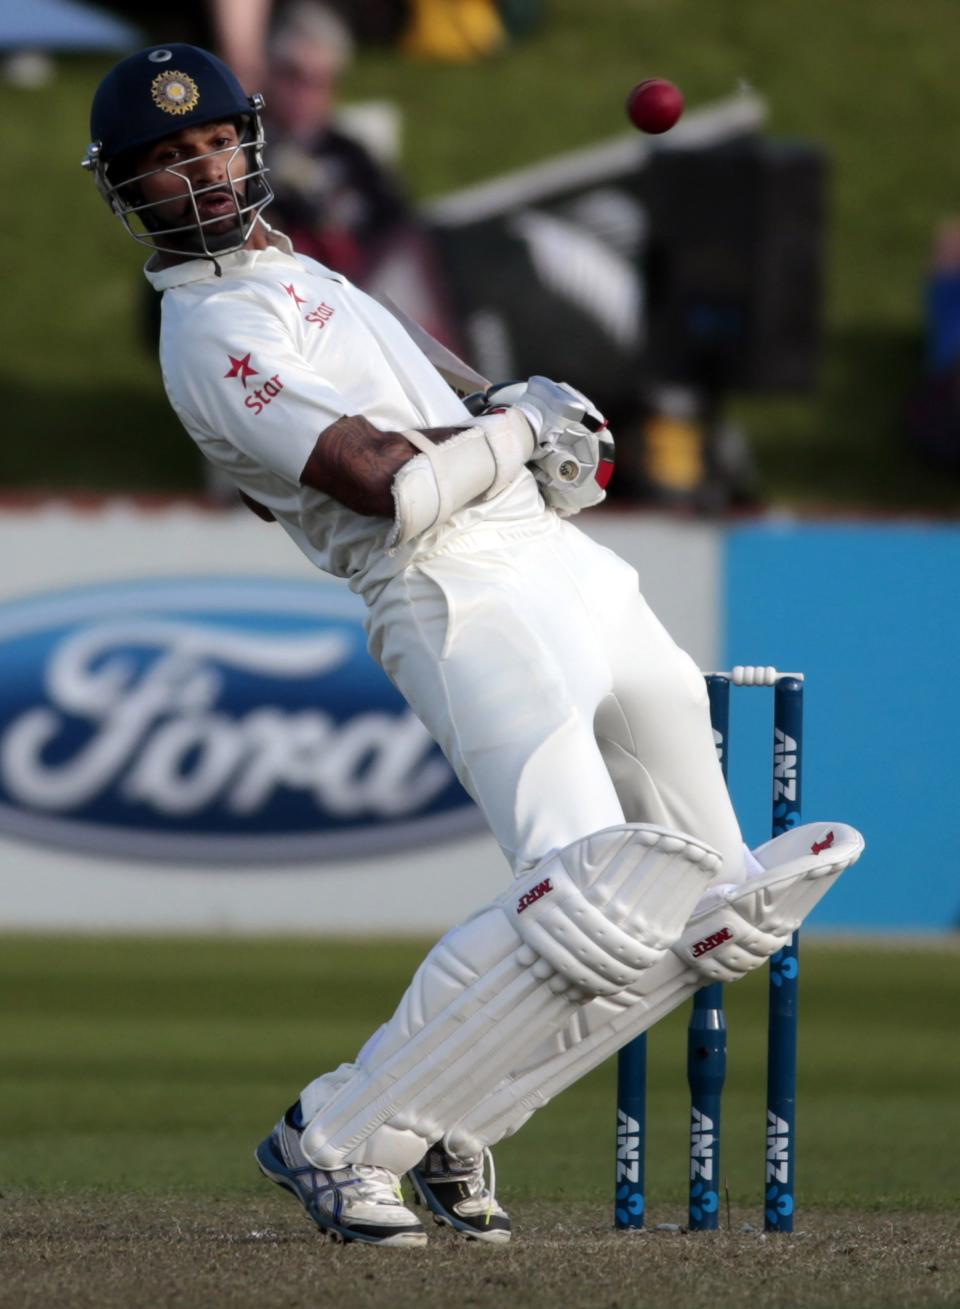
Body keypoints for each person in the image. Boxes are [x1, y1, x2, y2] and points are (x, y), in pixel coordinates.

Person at [84, 45, 864, 1248]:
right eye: (164, 162)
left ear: (249, 142)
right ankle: (338, 1132)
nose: (198, 173)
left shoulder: (286, 266)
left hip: (557, 562)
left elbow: (423, 377)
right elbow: (386, 489)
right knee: (584, 897)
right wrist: (518, 433)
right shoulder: (205, 333)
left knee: (719, 904)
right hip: (449, 586)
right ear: (126, 191)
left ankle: (453, 1121)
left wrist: (515, 401)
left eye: (210, 144)